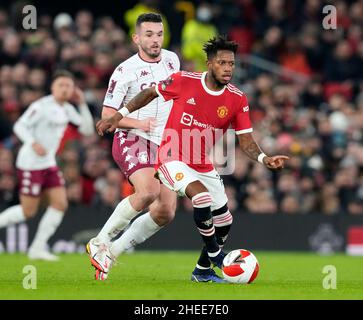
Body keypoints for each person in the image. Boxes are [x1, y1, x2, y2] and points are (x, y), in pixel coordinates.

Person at [96, 35, 289, 282]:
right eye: (222, 63)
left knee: (225, 220)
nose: (228, 68)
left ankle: (203, 271)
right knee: (201, 197)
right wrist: (119, 115)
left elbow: (246, 141)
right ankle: (217, 257)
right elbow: (149, 93)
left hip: (201, 164)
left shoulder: (237, 98)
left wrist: (264, 158)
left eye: (231, 63)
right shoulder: (183, 80)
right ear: (209, 64)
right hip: (170, 157)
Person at [86, 13, 180, 280]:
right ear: (136, 38)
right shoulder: (124, 70)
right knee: (148, 191)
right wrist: (139, 124)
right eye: (149, 34)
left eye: (159, 34)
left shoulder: (173, 59)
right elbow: (107, 115)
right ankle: (100, 242)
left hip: (165, 142)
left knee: (165, 212)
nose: (155, 40)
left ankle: (112, 253)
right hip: (132, 137)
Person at [0, 70, 94, 261]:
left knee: (60, 204)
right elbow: (20, 125)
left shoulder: (67, 108)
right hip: (30, 163)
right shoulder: (41, 106)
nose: (65, 89)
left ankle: (36, 248)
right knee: (28, 211)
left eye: (69, 86)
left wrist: (82, 104)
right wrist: (32, 142)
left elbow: (87, 129)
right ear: (53, 87)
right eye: (61, 85)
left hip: (48, 163)